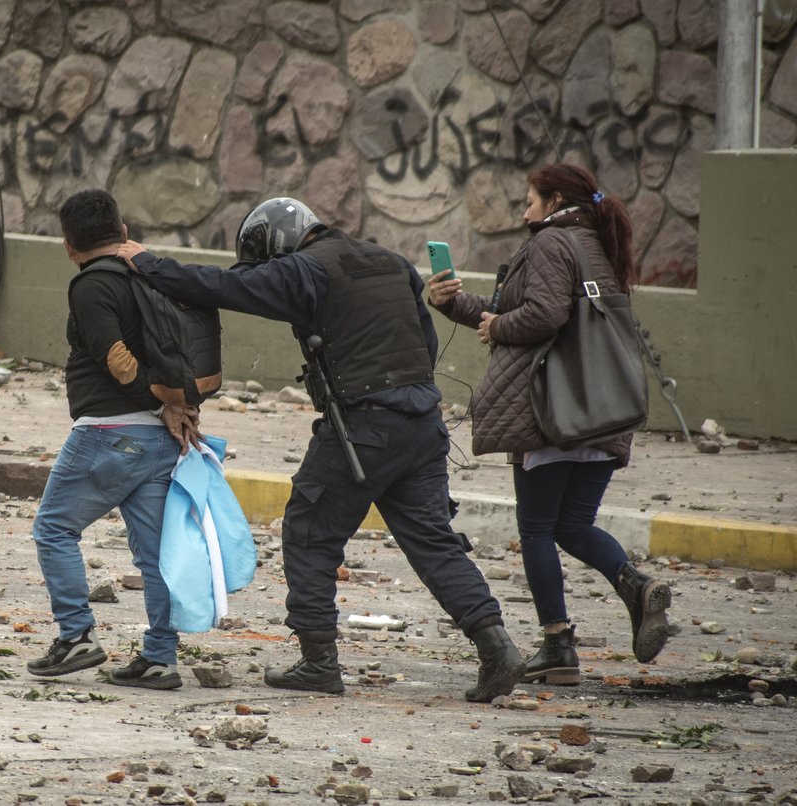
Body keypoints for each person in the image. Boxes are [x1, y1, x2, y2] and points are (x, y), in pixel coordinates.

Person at [116, 197, 524, 703]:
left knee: (309, 532)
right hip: (422, 424)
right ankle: (497, 648)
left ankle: (319, 663)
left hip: (364, 426)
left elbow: (223, 286)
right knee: (432, 540)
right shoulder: (391, 262)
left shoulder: (305, 269)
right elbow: (422, 339)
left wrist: (146, 262)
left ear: (277, 245)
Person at [427, 163, 672, 686]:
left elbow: (541, 317)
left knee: (537, 528)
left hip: (550, 410)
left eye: (530, 200)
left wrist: (497, 327)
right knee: (572, 524)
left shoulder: (548, 244)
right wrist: (457, 307)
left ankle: (557, 644)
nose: (524, 210)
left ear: (555, 200)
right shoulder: (599, 244)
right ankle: (634, 583)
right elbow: (515, 309)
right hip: (602, 412)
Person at [28, 189, 202, 690]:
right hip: (158, 440)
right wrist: (171, 406)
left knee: (53, 530)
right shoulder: (148, 276)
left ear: (68, 247)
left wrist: (159, 403)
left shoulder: (89, 285)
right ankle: (160, 659)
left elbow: (115, 358)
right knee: (153, 555)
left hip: (108, 434)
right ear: (124, 234)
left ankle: (77, 635)